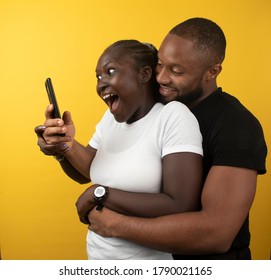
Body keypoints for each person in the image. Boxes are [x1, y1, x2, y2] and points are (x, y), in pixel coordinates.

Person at [85, 18, 268, 260]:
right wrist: (63, 145)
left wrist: (116, 225)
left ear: (212, 72)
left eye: (176, 70)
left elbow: (217, 233)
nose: (160, 78)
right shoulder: (154, 106)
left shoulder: (236, 125)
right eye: (160, 64)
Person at [35, 39, 203, 259]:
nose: (101, 83)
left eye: (110, 71)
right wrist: (63, 146)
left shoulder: (172, 116)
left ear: (143, 74)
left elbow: (181, 203)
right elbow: (87, 171)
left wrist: (100, 194)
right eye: (98, 76)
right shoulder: (111, 119)